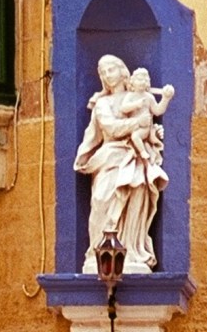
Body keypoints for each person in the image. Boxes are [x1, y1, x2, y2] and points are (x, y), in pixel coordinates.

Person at [73, 55, 174, 273]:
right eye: (103, 72)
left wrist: (154, 132)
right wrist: (138, 123)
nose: (107, 75)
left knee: (136, 193)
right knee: (102, 199)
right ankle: (99, 251)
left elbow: (152, 117)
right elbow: (110, 128)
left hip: (135, 156)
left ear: (122, 71)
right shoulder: (103, 103)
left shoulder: (138, 96)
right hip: (110, 156)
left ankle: (131, 250)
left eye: (111, 69)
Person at [119, 67, 174, 162]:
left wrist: (166, 98)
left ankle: (143, 152)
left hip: (144, 129)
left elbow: (157, 111)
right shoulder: (130, 96)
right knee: (132, 136)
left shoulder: (149, 97)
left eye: (145, 80)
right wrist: (136, 105)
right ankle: (141, 151)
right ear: (133, 81)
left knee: (135, 136)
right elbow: (123, 108)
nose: (142, 82)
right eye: (140, 79)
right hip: (132, 127)